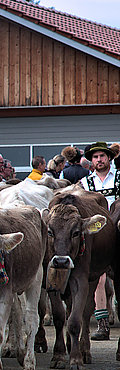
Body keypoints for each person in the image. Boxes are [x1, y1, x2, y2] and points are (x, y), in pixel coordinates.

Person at [79, 142, 119, 341]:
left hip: (118, 228)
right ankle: (102, 323)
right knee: (99, 276)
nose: (99, 160)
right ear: (91, 160)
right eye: (95, 157)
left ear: (109, 158)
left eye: (103, 156)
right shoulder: (85, 183)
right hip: (98, 232)